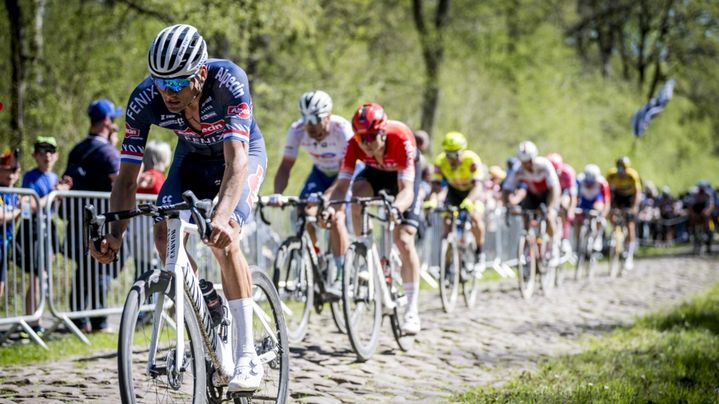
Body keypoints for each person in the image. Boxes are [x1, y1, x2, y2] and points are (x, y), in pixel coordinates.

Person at [89, 24, 266, 391]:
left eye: (176, 84)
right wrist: (115, 233)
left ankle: (248, 354)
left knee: (224, 238)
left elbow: (236, 164)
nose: (166, 92)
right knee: (162, 231)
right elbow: (126, 179)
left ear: (200, 74)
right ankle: (206, 301)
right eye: (160, 82)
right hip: (192, 158)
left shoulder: (229, 80)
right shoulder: (145, 99)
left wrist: (221, 215)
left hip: (240, 158)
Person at [325, 102, 423, 334]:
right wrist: (331, 207)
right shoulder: (354, 145)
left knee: (404, 239)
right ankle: (364, 249)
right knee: (357, 197)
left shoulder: (401, 138)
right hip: (376, 173)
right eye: (360, 138)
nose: (365, 143)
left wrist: (397, 209)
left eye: (370, 137)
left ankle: (412, 310)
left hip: (402, 177)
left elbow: (406, 190)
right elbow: (341, 187)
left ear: (382, 132)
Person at [269, 90, 353, 290]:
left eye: (315, 119)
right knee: (304, 213)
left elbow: (345, 172)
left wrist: (327, 198)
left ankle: (342, 272)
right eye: (306, 119)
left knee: (335, 215)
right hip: (320, 172)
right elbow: (285, 166)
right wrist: (278, 194)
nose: (310, 125)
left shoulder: (342, 129)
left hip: (345, 173)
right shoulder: (296, 130)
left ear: (328, 117)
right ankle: (317, 262)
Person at [62, 98, 123, 334]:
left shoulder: (77, 149)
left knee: (82, 269)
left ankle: (78, 320)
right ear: (107, 121)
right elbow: (120, 183)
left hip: (77, 218)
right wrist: (114, 145)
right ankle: (99, 321)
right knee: (100, 267)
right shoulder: (108, 152)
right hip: (98, 220)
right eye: (114, 119)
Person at [20, 137, 69, 335]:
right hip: (33, 229)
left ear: (56, 155)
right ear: (34, 155)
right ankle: (33, 321)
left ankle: (35, 319)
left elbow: (53, 208)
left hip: (48, 228)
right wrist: (52, 195)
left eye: (51, 150)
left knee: (43, 276)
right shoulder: (30, 177)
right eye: (42, 151)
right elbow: (28, 206)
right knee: (37, 277)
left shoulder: (54, 176)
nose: (46, 155)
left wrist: (60, 194)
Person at [424, 131, 486, 262]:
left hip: (472, 192)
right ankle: (446, 264)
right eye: (448, 154)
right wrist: (432, 200)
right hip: (453, 192)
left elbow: (478, 186)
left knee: (475, 218)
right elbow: (436, 187)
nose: (451, 158)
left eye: (455, 154)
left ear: (462, 152)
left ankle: (480, 252)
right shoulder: (440, 161)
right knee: (446, 221)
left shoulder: (471, 160)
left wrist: (469, 201)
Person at [502, 141, 561, 265]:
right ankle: (527, 248)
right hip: (532, 195)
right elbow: (507, 189)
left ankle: (553, 246)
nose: (525, 164)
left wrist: (550, 208)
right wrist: (508, 205)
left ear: (533, 158)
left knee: (550, 217)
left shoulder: (544, 165)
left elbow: (554, 189)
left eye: (528, 161)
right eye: (523, 161)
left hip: (548, 194)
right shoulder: (518, 168)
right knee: (526, 218)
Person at [605, 156, 642, 269]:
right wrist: (609, 207)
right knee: (611, 213)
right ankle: (614, 234)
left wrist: (634, 207)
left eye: (624, 169)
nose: (621, 172)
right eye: (619, 168)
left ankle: (629, 256)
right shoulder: (611, 175)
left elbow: (638, 193)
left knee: (630, 226)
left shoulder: (632, 175)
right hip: (617, 197)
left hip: (629, 198)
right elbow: (607, 192)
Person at [0, 149, 21, 299]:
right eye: (7, 171)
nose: (11, 175)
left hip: (4, 243)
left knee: (1, 280)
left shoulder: (14, 194)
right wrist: (18, 211)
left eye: (14, 171)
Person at [574, 164, 610, 252]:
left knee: (598, 211)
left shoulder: (602, 183)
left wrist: (603, 216)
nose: (589, 184)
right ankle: (577, 243)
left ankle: (597, 236)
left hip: (596, 200)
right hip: (584, 201)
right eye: (587, 182)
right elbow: (574, 196)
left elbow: (607, 202)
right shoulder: (579, 180)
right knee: (578, 220)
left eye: (592, 182)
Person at [547, 153, 577, 255]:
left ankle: (564, 239)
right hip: (551, 190)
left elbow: (572, 193)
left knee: (564, 204)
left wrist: (571, 210)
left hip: (564, 191)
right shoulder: (546, 171)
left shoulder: (568, 172)